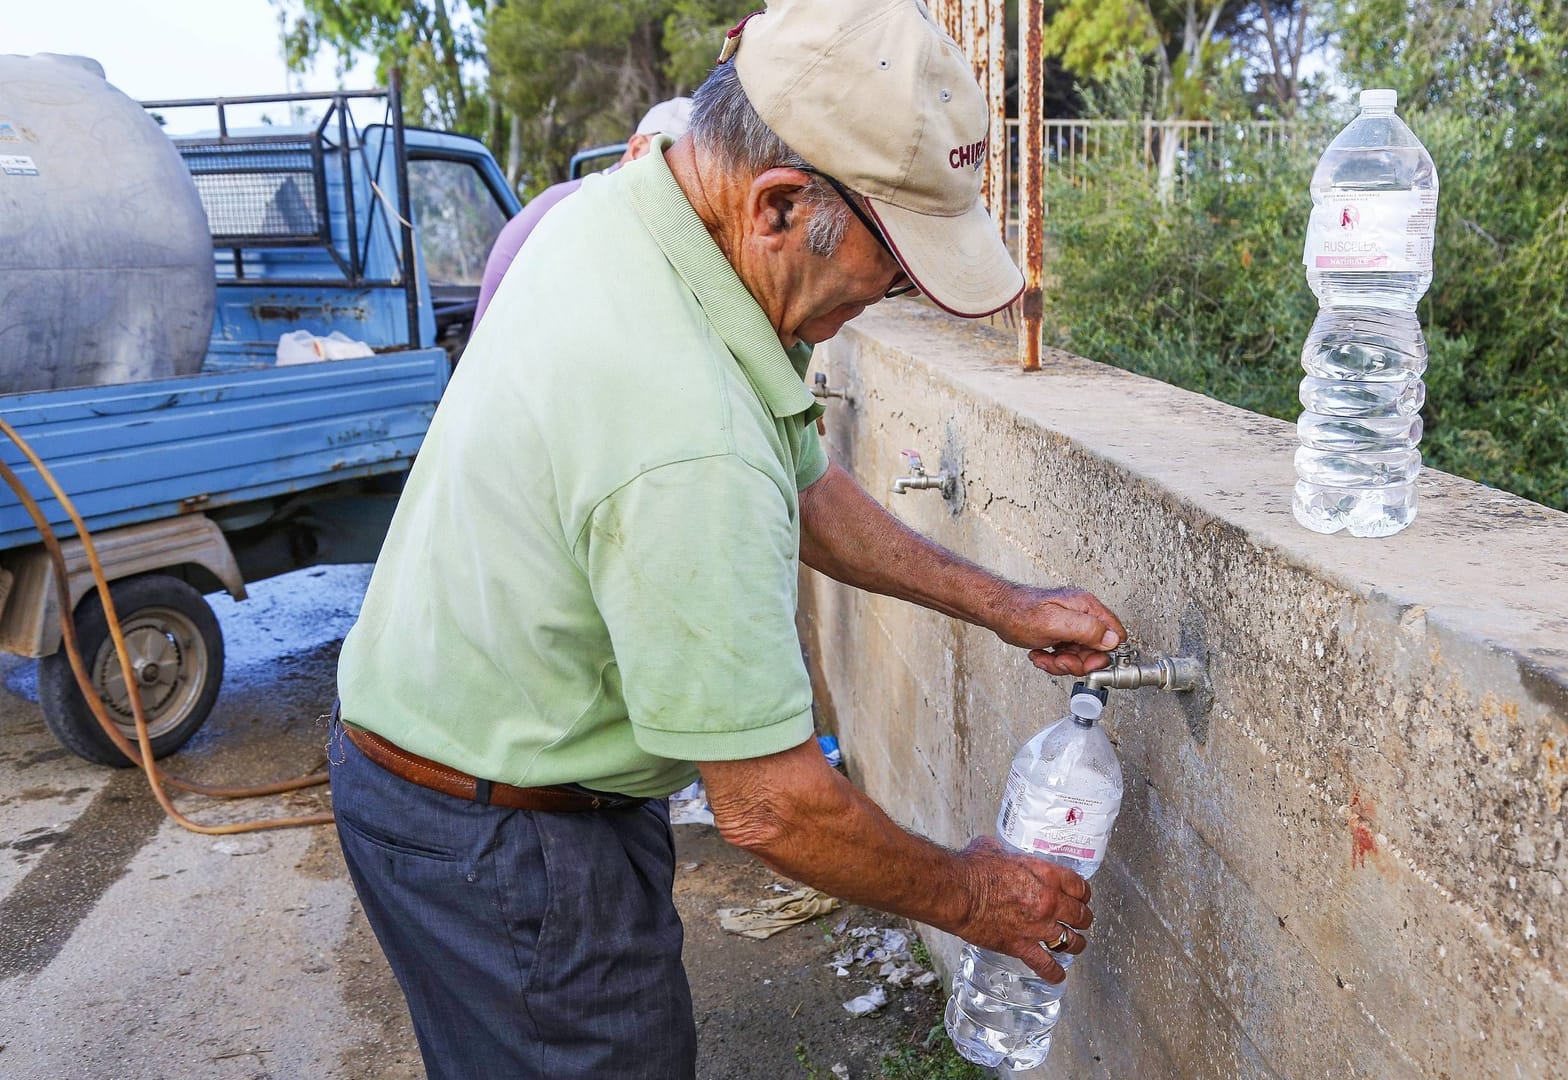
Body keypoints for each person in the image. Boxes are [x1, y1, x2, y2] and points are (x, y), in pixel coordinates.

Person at [328, 2, 1128, 1077]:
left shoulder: (639, 205)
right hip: (502, 838)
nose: (889, 299)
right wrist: (976, 894)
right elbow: (771, 806)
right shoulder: (684, 433)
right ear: (781, 204)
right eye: (891, 267)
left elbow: (800, 482)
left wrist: (1007, 606)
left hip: (470, 772)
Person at [472, 97, 692, 326]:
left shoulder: (624, 209)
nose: (679, 180)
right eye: (669, 161)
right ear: (637, 149)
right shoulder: (576, 206)